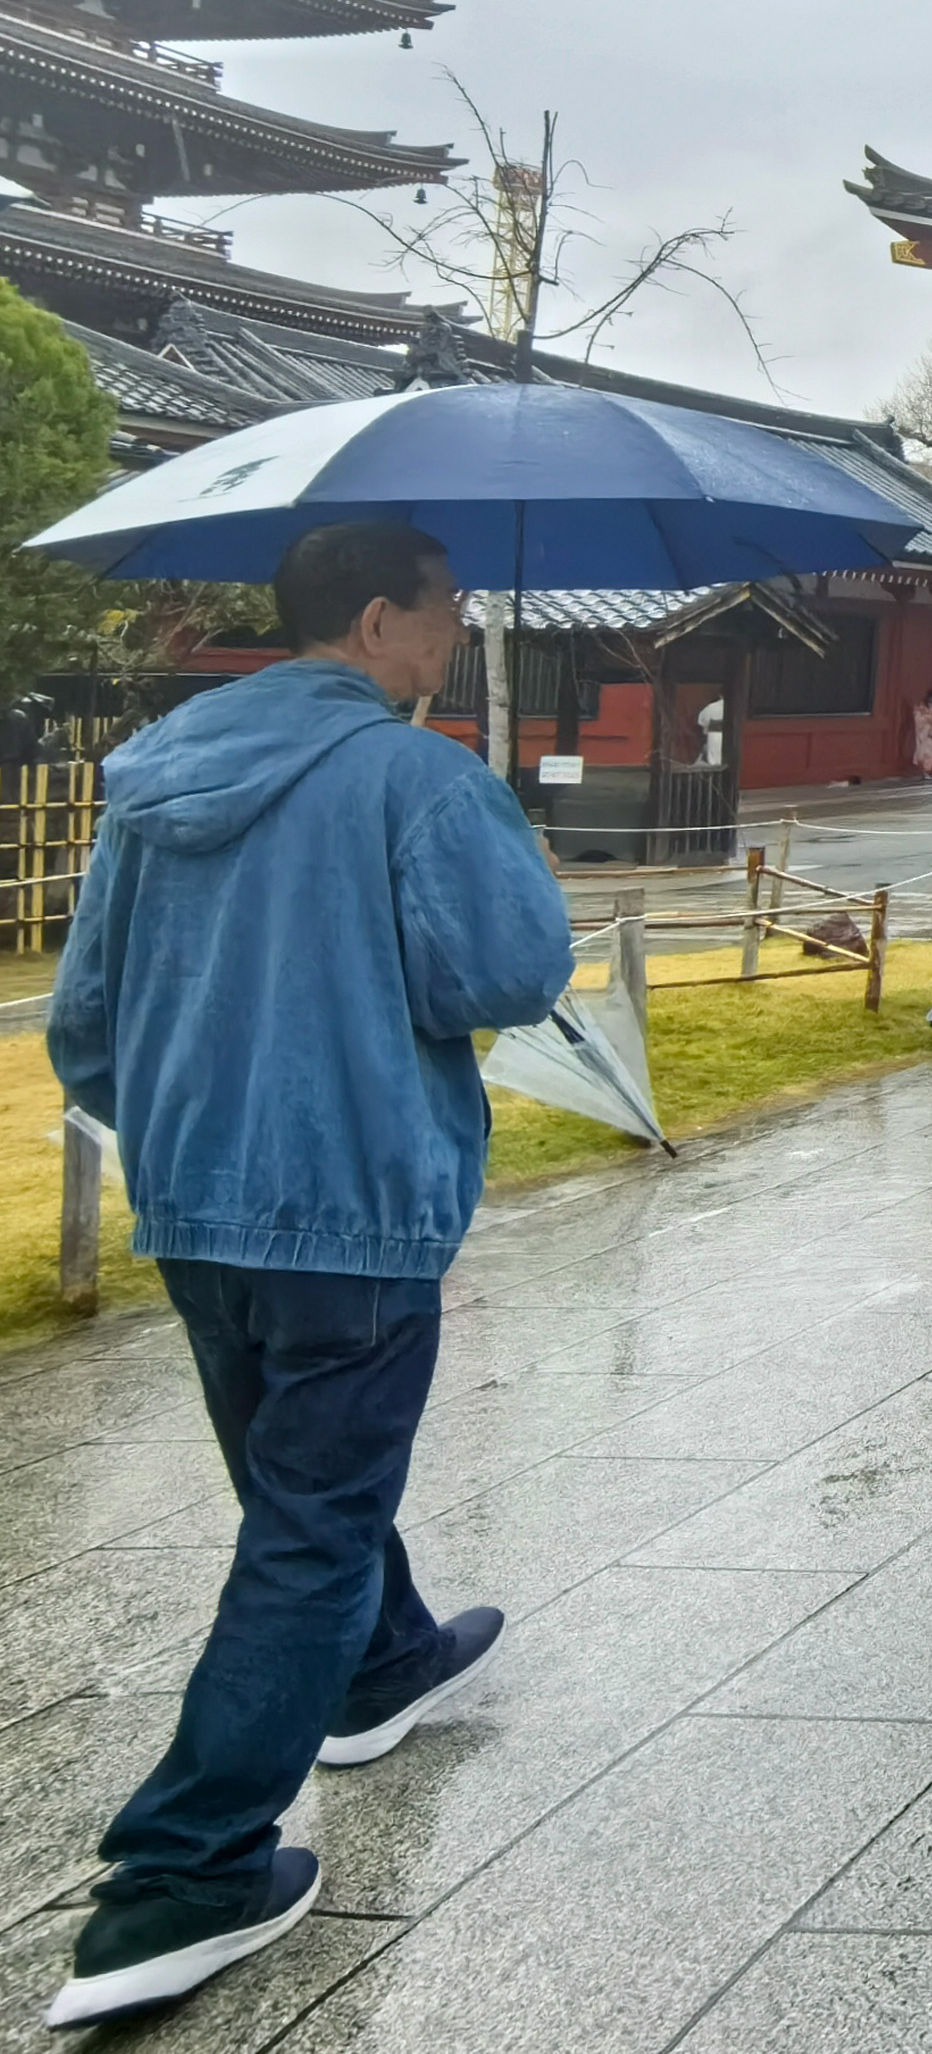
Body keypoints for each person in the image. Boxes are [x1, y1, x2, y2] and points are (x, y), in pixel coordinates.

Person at [40, 521, 570, 2029]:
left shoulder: (155, 776)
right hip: (353, 1198)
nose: (456, 637)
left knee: (300, 1491)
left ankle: (384, 1661)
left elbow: (87, 1021)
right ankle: (185, 1867)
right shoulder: (420, 779)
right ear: (386, 620)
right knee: (310, 1524)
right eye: (448, 615)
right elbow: (509, 979)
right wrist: (498, 833)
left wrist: (193, 1135)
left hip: (199, 1198)